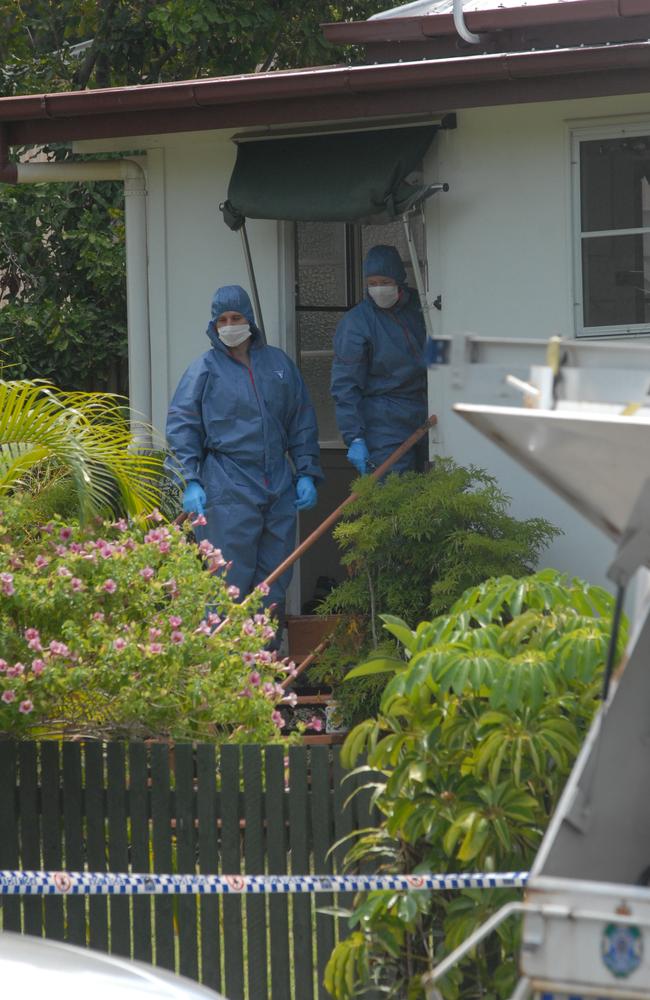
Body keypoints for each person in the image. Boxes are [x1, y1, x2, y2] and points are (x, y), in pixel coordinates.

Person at [166, 284, 323, 629]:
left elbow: (301, 419)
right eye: (222, 319)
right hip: (227, 485)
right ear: (214, 325)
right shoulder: (204, 370)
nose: (229, 324)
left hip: (277, 484)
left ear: (249, 319)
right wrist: (190, 479)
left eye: (236, 317)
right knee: (227, 582)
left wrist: (306, 471)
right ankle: (228, 673)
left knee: (274, 581)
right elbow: (182, 426)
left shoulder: (278, 364)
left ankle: (264, 669)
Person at [330, 244, 428, 476]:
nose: (378, 289)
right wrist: (354, 436)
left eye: (384, 282)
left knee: (433, 492)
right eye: (372, 284)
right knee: (394, 494)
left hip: (427, 411)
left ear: (399, 280)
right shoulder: (357, 323)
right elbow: (345, 384)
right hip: (384, 423)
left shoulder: (422, 308)